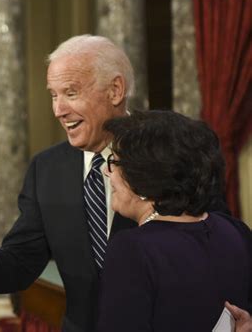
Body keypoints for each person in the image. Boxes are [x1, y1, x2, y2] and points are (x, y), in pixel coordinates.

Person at [0, 35, 136, 331]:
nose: (58, 110)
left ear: (115, 90)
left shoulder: (170, 152)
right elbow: (18, 265)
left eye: (71, 92)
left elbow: (210, 242)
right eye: (54, 95)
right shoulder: (46, 169)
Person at [96, 110, 251, 331]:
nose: (106, 171)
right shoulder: (236, 231)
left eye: (115, 162)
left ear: (144, 177)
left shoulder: (133, 250)